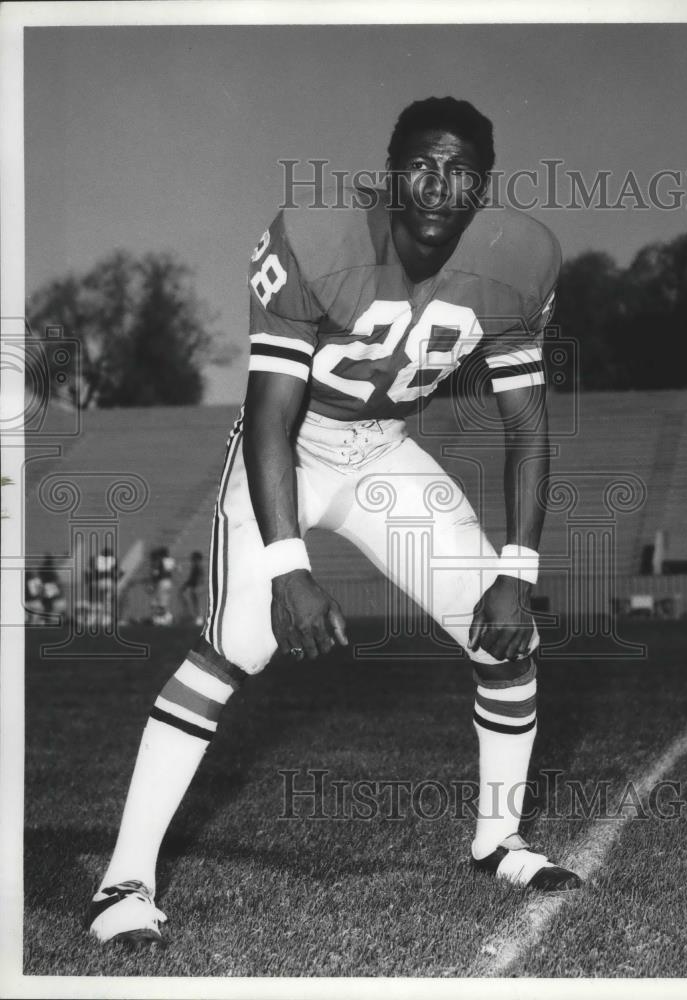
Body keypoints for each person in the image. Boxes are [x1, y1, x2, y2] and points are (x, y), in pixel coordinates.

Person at [88, 96, 581, 946]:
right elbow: (270, 417)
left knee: (506, 636)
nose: (437, 184)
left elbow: (527, 428)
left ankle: (498, 841)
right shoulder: (317, 235)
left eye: (459, 169)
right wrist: (289, 568)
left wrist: (517, 571)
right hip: (293, 450)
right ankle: (122, 881)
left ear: (483, 186)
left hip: (383, 453)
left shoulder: (520, 256)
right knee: (236, 645)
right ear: (390, 173)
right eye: (421, 164)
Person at [148, 546, 176, 626]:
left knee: (160, 601)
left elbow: (156, 573)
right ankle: (164, 618)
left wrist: (152, 584)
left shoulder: (160, 561)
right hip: (169, 582)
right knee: (164, 601)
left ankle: (165, 619)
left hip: (162, 582)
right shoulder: (171, 560)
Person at [179, 550, 205, 626]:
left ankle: (199, 619)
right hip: (198, 586)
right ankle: (198, 618)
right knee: (196, 603)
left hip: (197, 587)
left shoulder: (197, 566)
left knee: (196, 603)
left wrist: (185, 586)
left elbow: (193, 578)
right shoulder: (199, 566)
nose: (191, 560)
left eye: (193, 558)